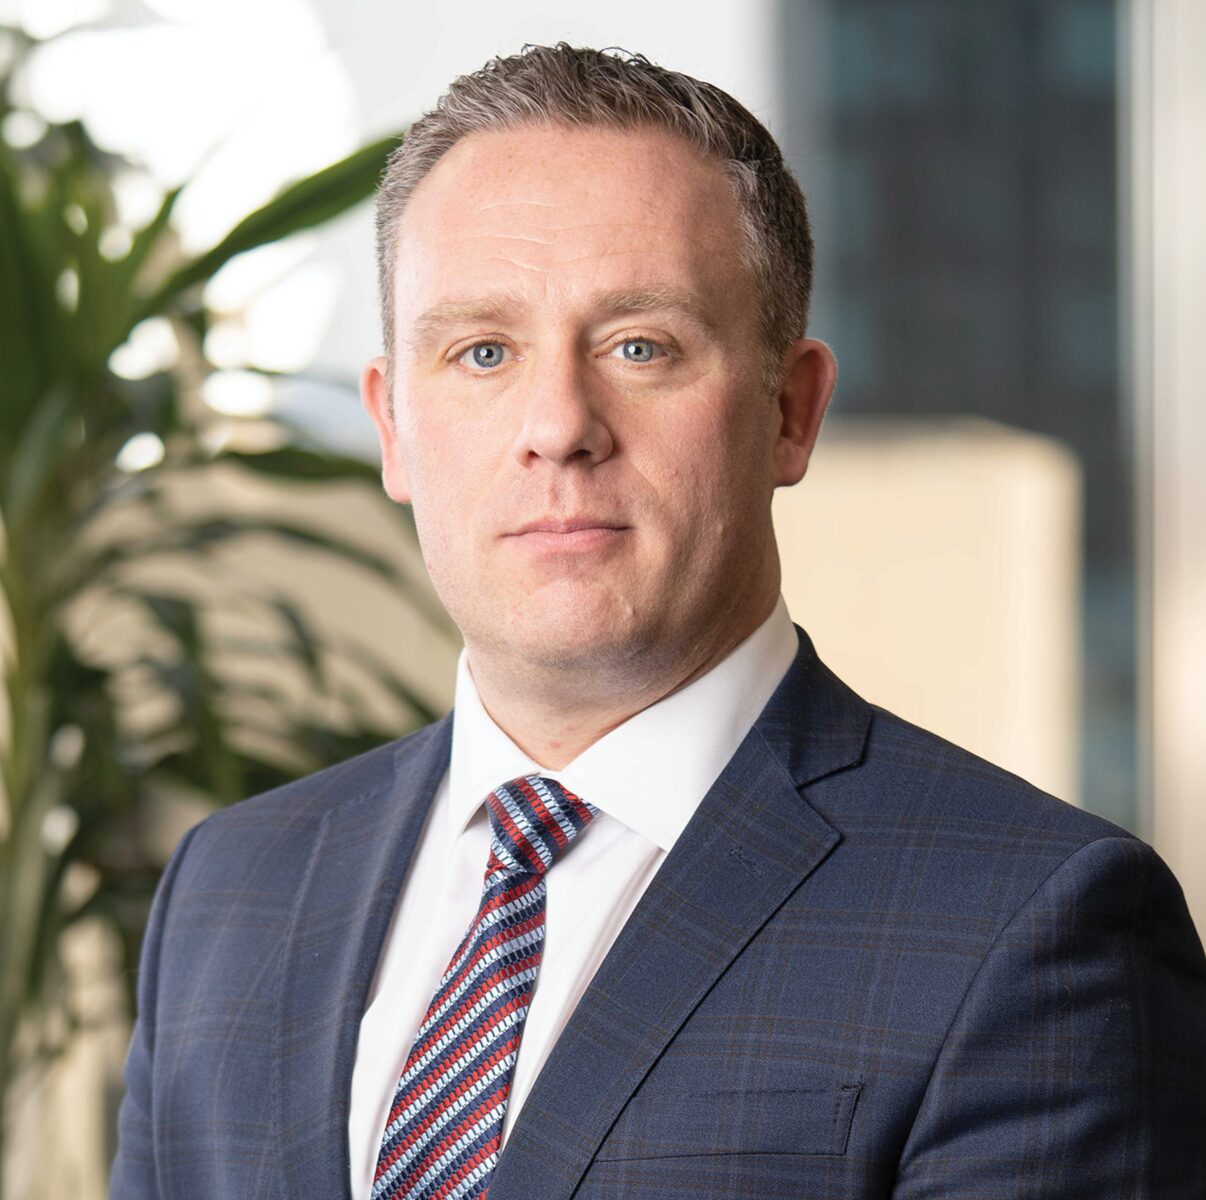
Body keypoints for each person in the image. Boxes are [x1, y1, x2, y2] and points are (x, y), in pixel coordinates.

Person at [109, 44, 1205, 1200]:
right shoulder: (230, 890)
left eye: (642, 346)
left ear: (791, 411)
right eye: (482, 351)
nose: (558, 426)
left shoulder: (1036, 928)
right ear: (392, 426)